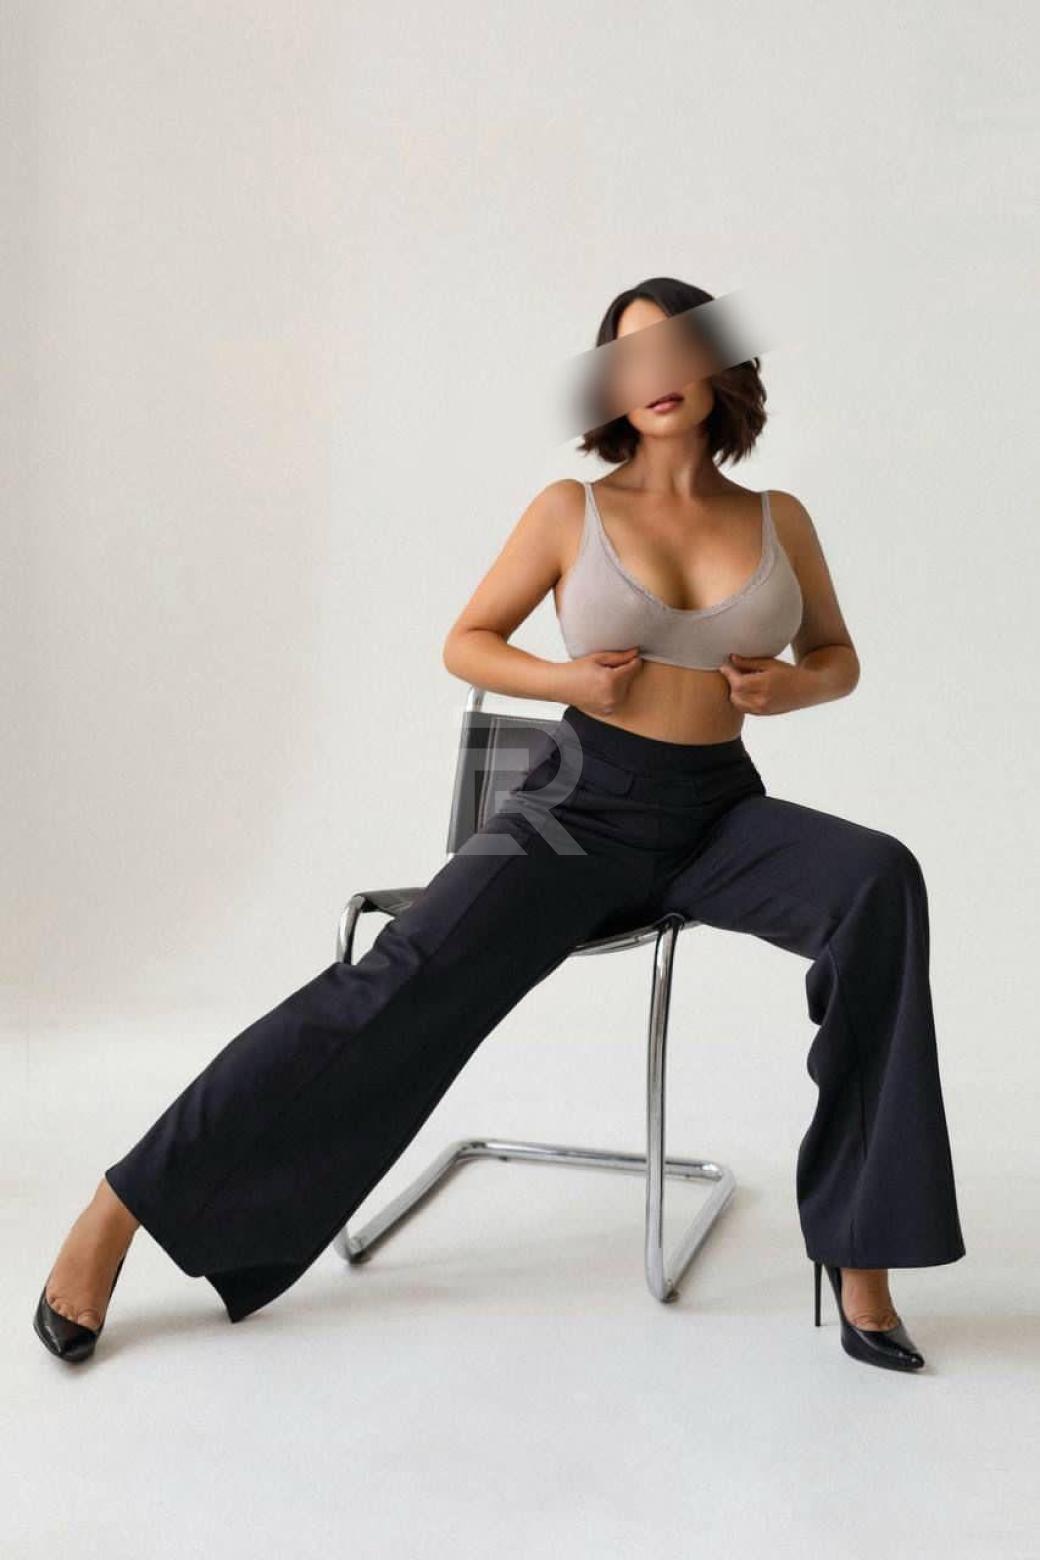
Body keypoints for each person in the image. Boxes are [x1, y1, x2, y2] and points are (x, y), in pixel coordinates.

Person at [33, 276, 964, 1372]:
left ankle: (860, 1257)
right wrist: (565, 678)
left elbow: (837, 656)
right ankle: (123, 1206)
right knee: (392, 985)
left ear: (719, 367)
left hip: (718, 808)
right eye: (630, 357)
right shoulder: (571, 509)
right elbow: (466, 641)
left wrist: (794, 688)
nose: (656, 375)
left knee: (877, 880)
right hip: (576, 805)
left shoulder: (778, 518)